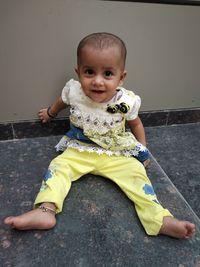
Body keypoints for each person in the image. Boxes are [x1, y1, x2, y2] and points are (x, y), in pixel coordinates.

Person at [4, 32, 195, 238]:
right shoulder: (74, 91)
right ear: (78, 73)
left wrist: (142, 148)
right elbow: (61, 101)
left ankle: (159, 219)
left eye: (107, 74)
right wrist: (50, 112)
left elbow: (136, 123)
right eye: (89, 72)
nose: (97, 81)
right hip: (80, 149)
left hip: (116, 153)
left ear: (121, 77)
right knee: (58, 167)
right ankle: (45, 210)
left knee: (137, 176)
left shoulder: (125, 102)